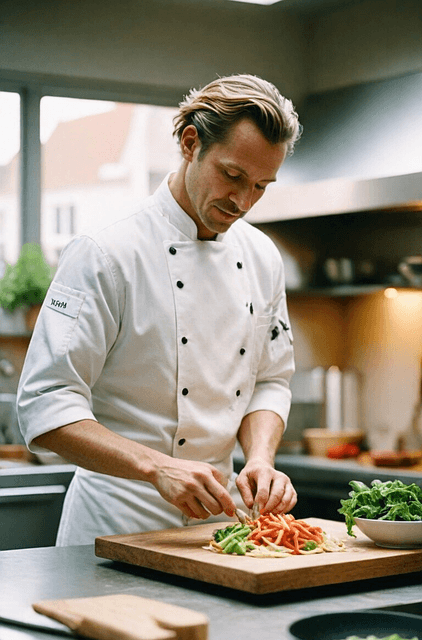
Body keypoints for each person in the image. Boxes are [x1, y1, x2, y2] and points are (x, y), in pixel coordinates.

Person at [17, 74, 302, 546]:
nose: (243, 201)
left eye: (261, 186)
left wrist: (260, 460)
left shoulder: (262, 257)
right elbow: (45, 402)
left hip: (219, 529)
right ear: (191, 143)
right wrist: (157, 467)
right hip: (114, 525)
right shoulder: (106, 252)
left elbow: (271, 381)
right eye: (232, 176)